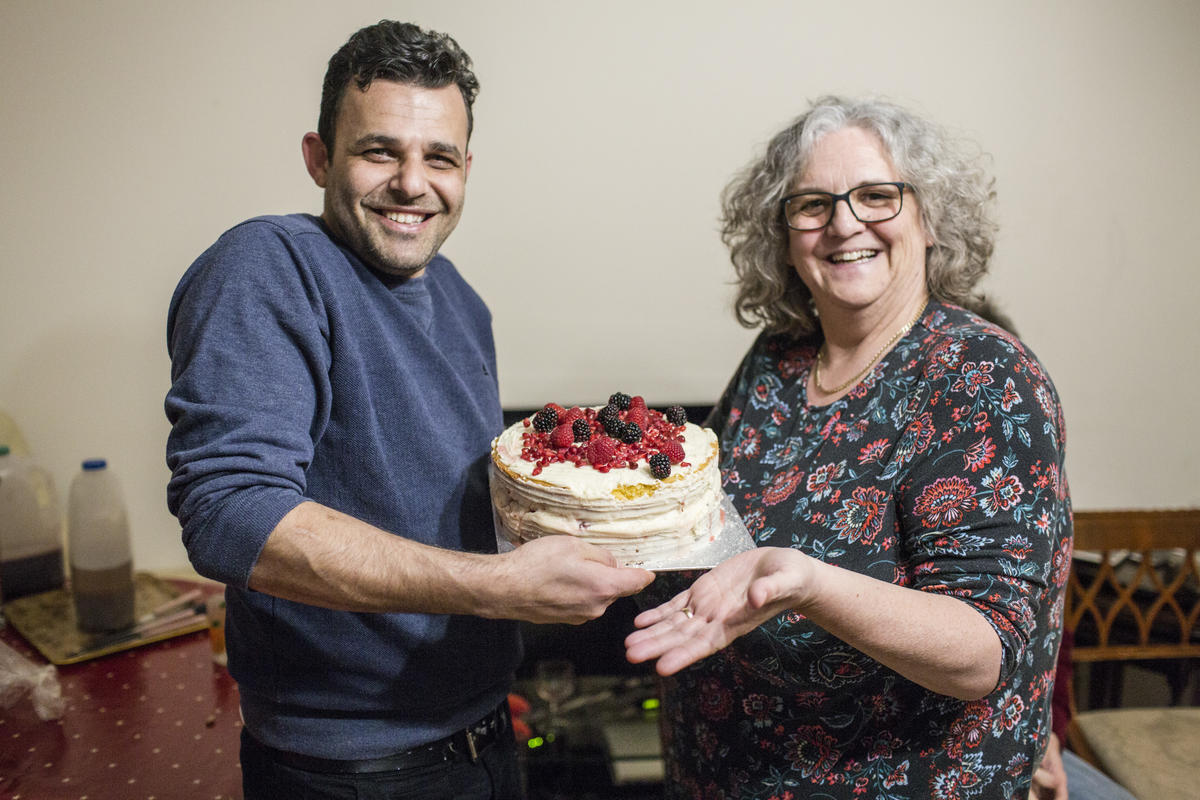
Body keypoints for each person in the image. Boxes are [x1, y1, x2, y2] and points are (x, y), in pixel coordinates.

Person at [164, 20, 652, 800]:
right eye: (379, 151)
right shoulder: (268, 267)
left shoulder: (463, 303)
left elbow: (441, 512)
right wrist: (498, 590)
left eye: (440, 158)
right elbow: (230, 514)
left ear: (467, 170)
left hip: (484, 736)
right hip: (350, 769)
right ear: (319, 157)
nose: (412, 183)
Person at [625, 96, 1072, 799]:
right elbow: (702, 519)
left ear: (930, 218)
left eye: (876, 196)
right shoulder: (777, 361)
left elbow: (983, 650)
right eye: (813, 204)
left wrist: (808, 583)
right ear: (783, 234)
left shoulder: (982, 375)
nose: (843, 223)